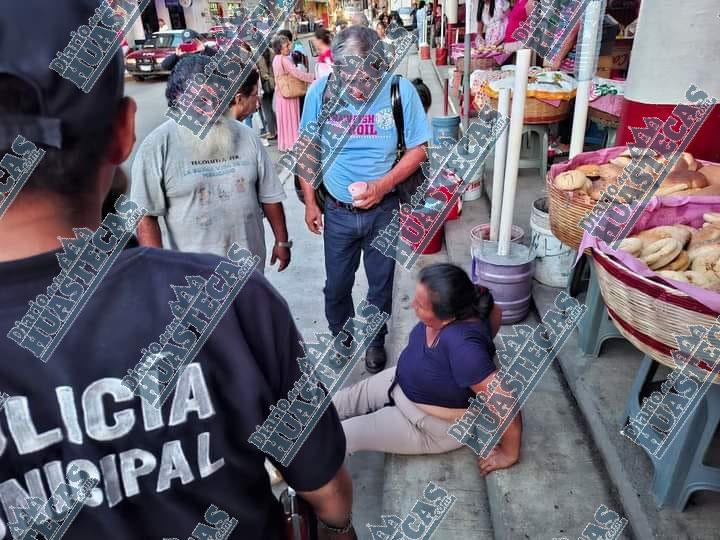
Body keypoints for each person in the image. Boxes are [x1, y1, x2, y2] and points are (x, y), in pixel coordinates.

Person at [0, 1, 356, 539]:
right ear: (125, 133)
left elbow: (267, 193)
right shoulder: (240, 307)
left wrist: (279, 236)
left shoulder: (240, 290)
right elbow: (328, 495)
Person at [298, 26, 430, 374]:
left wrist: (383, 184)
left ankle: (374, 340)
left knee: (381, 284)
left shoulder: (400, 92)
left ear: (381, 68)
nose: (356, 89)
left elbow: (418, 149)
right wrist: (311, 201)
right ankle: (341, 336)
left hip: (384, 211)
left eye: (365, 80)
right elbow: (308, 150)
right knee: (337, 285)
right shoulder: (320, 92)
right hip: (338, 212)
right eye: (348, 79)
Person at [332, 264, 522, 475]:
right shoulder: (467, 299)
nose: (413, 305)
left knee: (340, 436)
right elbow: (495, 311)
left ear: (448, 317)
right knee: (332, 405)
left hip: (428, 424)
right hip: (397, 382)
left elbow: (505, 402)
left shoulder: (465, 348)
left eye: (421, 305)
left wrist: (508, 452)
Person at [132, 55, 292, 273]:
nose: (210, 109)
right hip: (192, 280)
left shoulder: (248, 137)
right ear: (178, 99)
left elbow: (269, 195)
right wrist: (158, 272)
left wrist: (282, 241)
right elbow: (145, 216)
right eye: (200, 101)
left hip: (250, 273)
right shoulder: (157, 146)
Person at [272, 34, 315, 152]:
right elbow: (297, 74)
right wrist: (314, 77)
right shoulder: (285, 60)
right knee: (292, 119)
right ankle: (294, 144)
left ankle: (286, 144)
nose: (289, 47)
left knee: (284, 121)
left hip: (281, 94)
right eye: (286, 45)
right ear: (280, 47)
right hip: (290, 94)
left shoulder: (276, 59)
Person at [257, 46, 278, 141]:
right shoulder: (272, 52)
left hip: (264, 85)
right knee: (274, 109)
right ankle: (278, 130)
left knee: (267, 110)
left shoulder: (257, 54)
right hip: (274, 83)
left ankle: (272, 132)